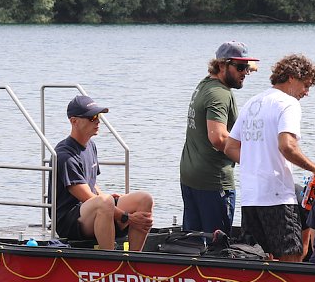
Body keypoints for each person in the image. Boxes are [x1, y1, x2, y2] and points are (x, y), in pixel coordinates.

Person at [224, 54, 315, 262]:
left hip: (251, 197)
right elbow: (287, 146)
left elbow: (230, 147)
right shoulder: (288, 104)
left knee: (258, 258)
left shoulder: (253, 102)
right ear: (291, 77)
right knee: (292, 257)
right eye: (305, 85)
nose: (306, 92)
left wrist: (257, 160)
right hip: (277, 195)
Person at [51, 95, 154, 250]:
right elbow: (85, 196)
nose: (98, 121)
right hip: (70, 221)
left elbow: (92, 185)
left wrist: (109, 197)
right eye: (92, 117)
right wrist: (127, 218)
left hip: (91, 208)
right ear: (74, 121)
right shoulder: (65, 155)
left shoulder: (90, 145)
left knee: (144, 199)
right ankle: (109, 262)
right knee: (104, 202)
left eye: (98, 116)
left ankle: (133, 259)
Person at [179, 41, 259, 234]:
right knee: (217, 244)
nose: (245, 73)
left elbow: (239, 68)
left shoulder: (205, 85)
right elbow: (218, 137)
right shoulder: (220, 94)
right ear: (222, 65)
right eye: (240, 67)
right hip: (214, 182)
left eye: (247, 68)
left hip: (191, 176)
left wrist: (246, 66)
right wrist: (253, 163)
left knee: (193, 241)